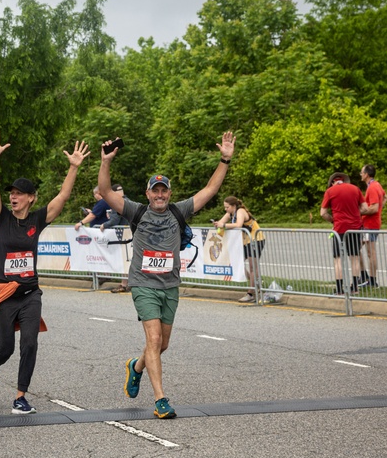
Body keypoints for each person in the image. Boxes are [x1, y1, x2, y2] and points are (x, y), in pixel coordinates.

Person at [100, 131, 235, 419]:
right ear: (148, 193)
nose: (160, 195)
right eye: (155, 190)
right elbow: (107, 192)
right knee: (153, 339)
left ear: (169, 194)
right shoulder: (136, 211)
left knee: (163, 345)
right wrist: (106, 161)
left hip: (170, 285)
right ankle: (161, 400)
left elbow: (209, 190)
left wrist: (224, 159)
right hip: (143, 284)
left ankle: (136, 367)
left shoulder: (179, 211)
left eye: (164, 190)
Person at [0, 131, 89, 414]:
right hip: (3, 294)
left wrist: (74, 167)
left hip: (30, 294)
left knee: (30, 342)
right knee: (5, 349)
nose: (12, 197)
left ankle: (20, 396)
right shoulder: (1, 218)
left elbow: (63, 196)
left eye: (18, 193)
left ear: (31, 198)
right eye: (11, 193)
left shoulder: (37, 220)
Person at [321, 173, 368, 295]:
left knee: (338, 259)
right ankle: (355, 287)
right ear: (344, 181)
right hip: (355, 228)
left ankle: (339, 289)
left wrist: (332, 220)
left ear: (332, 182)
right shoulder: (355, 189)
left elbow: (323, 213)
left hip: (339, 228)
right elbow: (365, 208)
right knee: (354, 257)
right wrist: (355, 213)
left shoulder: (330, 191)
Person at [213, 196, 265, 302]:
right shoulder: (230, 213)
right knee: (238, 263)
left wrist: (223, 225)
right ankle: (257, 284)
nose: (225, 209)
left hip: (255, 239)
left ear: (233, 206)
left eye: (227, 207)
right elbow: (221, 222)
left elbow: (238, 224)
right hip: (246, 241)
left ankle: (251, 293)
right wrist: (218, 224)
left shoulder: (240, 211)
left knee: (252, 267)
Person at [359, 164, 387, 288]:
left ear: (366, 174)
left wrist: (359, 212)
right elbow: (385, 197)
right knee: (355, 247)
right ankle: (364, 276)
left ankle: (372, 280)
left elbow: (374, 208)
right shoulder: (377, 185)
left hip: (369, 225)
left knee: (370, 252)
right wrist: (380, 208)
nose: (360, 174)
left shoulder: (372, 188)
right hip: (370, 224)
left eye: (361, 172)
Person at [101, 184, 131, 293]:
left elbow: (115, 221)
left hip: (124, 235)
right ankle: (127, 283)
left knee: (125, 260)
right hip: (133, 232)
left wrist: (104, 225)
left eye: (121, 189)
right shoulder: (129, 201)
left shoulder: (116, 203)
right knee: (130, 259)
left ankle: (124, 285)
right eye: (119, 190)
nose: (120, 191)